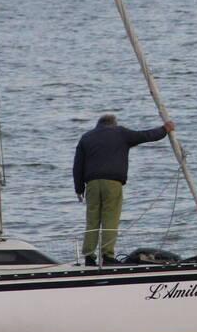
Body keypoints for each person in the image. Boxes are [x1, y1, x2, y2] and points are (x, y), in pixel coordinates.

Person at [73, 114, 174, 265]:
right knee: (110, 220)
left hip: (92, 184)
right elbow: (145, 136)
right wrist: (164, 129)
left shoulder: (86, 137)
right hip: (112, 183)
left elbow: (77, 165)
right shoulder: (120, 133)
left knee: (92, 221)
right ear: (114, 123)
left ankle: (89, 257)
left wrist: (79, 189)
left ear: (98, 124)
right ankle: (107, 256)